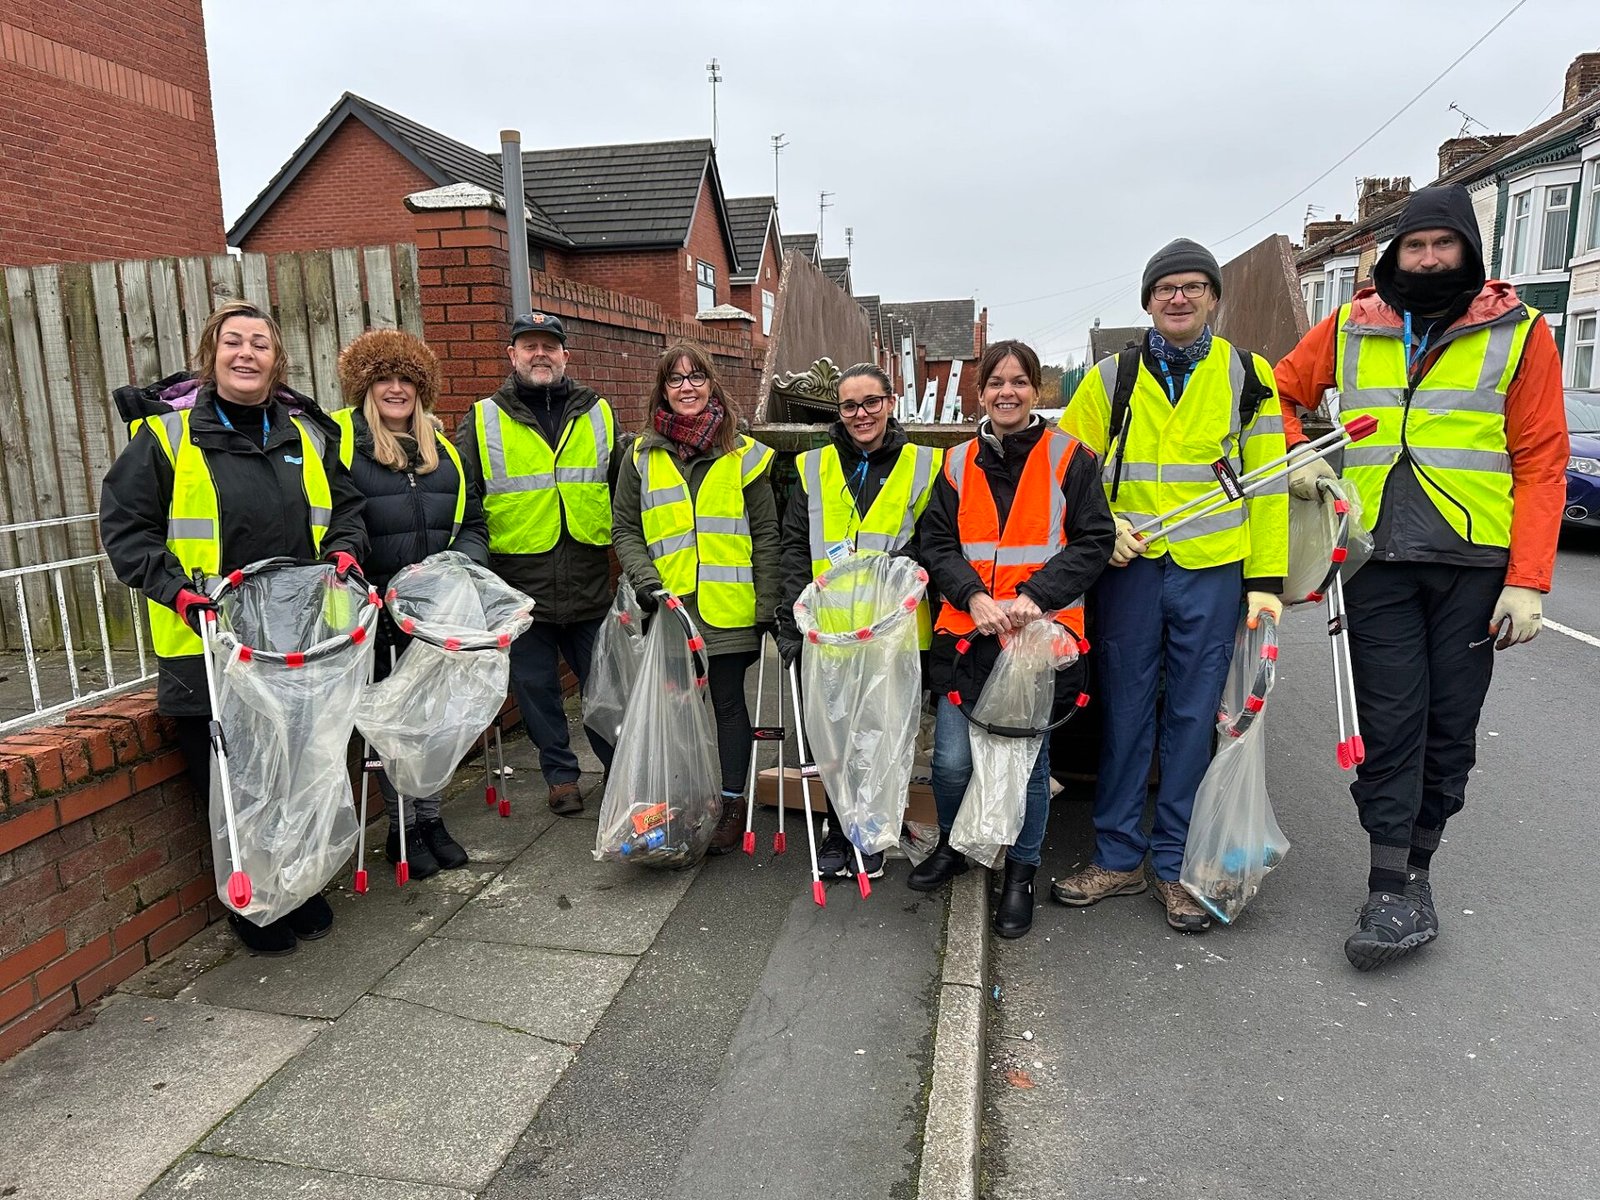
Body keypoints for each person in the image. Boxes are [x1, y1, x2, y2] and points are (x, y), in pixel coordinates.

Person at [1273, 185, 1567, 970]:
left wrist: (1529, 581)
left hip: (1475, 563)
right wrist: (1306, 461)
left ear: (1469, 250)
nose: (1429, 259)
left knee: (1450, 726)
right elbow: (1280, 392)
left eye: (1444, 245)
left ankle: (1420, 867)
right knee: (1390, 721)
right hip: (1373, 558)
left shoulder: (1520, 332)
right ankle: (1387, 884)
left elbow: (1542, 462)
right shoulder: (1353, 324)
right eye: (1416, 246)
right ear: (1393, 254)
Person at [100, 300, 368, 955]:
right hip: (207, 646)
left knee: (295, 772)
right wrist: (176, 590)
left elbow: (347, 509)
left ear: (278, 361)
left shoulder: (306, 435)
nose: (246, 354)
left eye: (259, 344)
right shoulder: (164, 439)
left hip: (293, 641)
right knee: (233, 781)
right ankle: (253, 904)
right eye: (232, 343)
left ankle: (296, 886)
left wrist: (345, 550)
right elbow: (126, 532)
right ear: (210, 355)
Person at [1054, 239, 1288, 934]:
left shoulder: (1249, 376)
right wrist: (1106, 525)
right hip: (1131, 571)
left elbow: (1269, 483)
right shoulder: (1109, 379)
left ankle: (1177, 864)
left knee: (1193, 719)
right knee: (1125, 712)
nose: (1178, 298)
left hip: (1214, 570)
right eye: (1165, 288)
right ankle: (1118, 856)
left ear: (1214, 297)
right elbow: (1066, 472)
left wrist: (1266, 583)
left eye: (1192, 287)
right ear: (1148, 300)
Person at [909, 340, 1115, 939]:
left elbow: (1093, 540)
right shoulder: (955, 464)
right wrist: (972, 596)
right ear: (981, 393)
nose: (1007, 392)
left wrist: (1037, 597)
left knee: (1028, 769)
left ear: (1037, 390)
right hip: (967, 636)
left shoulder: (1071, 459)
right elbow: (936, 544)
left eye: (1019, 382)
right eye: (995, 382)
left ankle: (1020, 872)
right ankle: (954, 846)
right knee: (949, 764)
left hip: (1037, 640)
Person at [333, 328, 490, 879]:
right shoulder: (341, 446)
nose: (396, 389)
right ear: (366, 387)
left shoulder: (443, 451)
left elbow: (473, 523)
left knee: (435, 723)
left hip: (435, 613)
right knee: (391, 727)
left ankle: (430, 818)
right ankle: (401, 824)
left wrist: (457, 569)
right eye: (384, 379)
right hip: (372, 613)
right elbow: (336, 528)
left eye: (407, 379)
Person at [611, 341, 780, 855]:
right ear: (663, 390)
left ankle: (731, 803)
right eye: (676, 379)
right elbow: (625, 529)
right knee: (678, 709)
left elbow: (766, 532)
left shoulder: (743, 453)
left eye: (696, 376)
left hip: (728, 611)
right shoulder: (639, 455)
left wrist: (766, 603)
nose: (687, 386)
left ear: (712, 385)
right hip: (669, 609)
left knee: (728, 707)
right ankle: (685, 799)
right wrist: (645, 581)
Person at [775, 362, 942, 880]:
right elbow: (793, 551)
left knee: (882, 738)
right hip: (829, 635)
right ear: (838, 411)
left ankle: (870, 833)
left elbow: (936, 547)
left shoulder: (926, 466)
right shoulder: (813, 467)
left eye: (871, 402)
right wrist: (789, 623)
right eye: (849, 405)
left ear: (890, 403)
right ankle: (836, 830)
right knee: (831, 740)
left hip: (894, 636)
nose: (861, 414)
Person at [454, 313, 617, 817]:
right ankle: (560, 777)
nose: (540, 354)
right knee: (537, 689)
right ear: (513, 355)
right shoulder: (482, 418)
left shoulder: (598, 411)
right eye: (530, 346)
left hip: (590, 580)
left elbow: (623, 488)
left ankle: (620, 769)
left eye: (550, 345)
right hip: (520, 587)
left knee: (606, 686)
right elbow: (466, 500)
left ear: (566, 354)